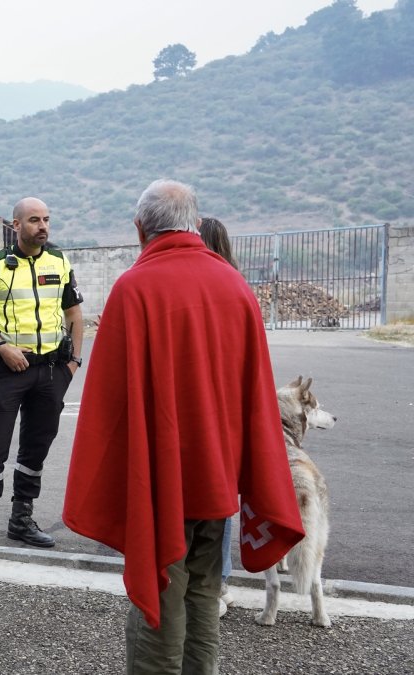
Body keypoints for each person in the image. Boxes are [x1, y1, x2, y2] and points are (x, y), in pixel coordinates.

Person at [63, 181, 303, 674]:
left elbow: (109, 410)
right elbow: (253, 397)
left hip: (158, 484)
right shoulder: (235, 287)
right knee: (203, 590)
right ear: (195, 223)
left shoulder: (134, 288)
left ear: (139, 229)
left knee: (161, 596)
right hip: (217, 480)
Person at [0, 197, 84, 553]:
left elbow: (74, 314)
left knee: (36, 447)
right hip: (8, 370)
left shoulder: (59, 260)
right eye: (34, 220)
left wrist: (73, 363)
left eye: (46, 219)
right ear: (16, 225)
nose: (42, 226)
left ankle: (21, 519)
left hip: (51, 371)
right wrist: (2, 347)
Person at [198, 215, 241, 618]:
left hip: (209, 409)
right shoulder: (234, 285)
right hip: (225, 410)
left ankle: (215, 582)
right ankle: (217, 582)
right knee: (220, 495)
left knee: (212, 497)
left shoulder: (210, 285)